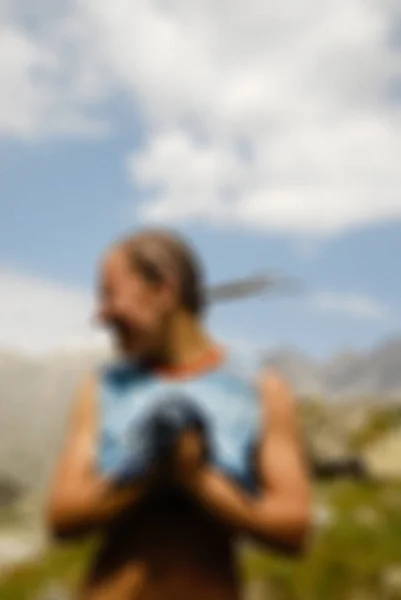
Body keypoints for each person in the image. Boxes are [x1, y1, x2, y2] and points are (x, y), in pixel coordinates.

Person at [46, 229, 312, 600]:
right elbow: (61, 515)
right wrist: (147, 471)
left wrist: (196, 477)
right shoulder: (103, 388)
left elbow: (293, 528)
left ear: (163, 291)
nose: (100, 315)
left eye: (109, 294)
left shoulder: (261, 390)